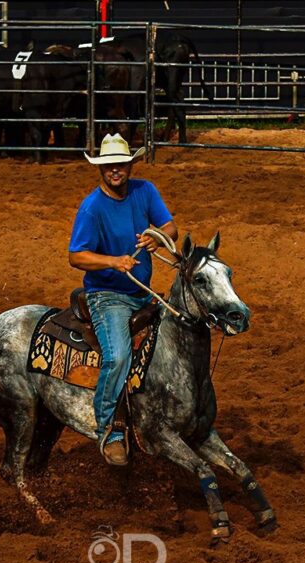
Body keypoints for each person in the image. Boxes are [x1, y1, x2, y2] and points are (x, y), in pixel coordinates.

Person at [68, 133, 178, 466]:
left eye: (121, 164)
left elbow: (170, 227)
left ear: (130, 165)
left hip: (142, 293)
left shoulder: (145, 191)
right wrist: (113, 261)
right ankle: (109, 429)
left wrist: (157, 237)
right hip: (107, 296)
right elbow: (76, 256)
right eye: (109, 166)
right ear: (101, 169)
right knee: (116, 357)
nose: (116, 170)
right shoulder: (91, 208)